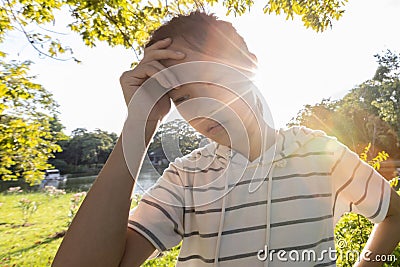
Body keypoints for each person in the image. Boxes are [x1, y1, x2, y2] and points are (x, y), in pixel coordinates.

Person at [52, 11, 400, 267]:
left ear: (249, 66)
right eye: (182, 97)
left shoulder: (320, 154)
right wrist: (138, 124)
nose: (201, 105)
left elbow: (395, 215)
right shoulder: (186, 179)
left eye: (211, 76)